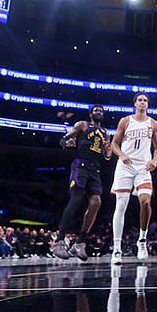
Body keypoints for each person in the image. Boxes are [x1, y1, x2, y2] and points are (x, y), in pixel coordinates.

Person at [51, 104, 112, 260]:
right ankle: (59, 241)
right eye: (96, 110)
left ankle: (80, 243)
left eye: (101, 111)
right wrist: (67, 143)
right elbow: (63, 140)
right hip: (81, 166)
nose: (99, 112)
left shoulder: (106, 133)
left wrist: (108, 151)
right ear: (90, 114)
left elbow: (106, 157)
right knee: (76, 200)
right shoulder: (82, 125)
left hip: (96, 170)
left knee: (96, 202)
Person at [109, 93, 157, 264]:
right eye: (140, 100)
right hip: (125, 165)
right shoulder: (125, 121)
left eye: (145, 100)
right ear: (135, 103)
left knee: (146, 202)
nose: (142, 102)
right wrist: (122, 154)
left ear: (148, 104)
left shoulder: (153, 124)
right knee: (121, 205)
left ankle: (142, 240)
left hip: (143, 167)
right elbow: (114, 144)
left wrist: (155, 160)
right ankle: (117, 249)